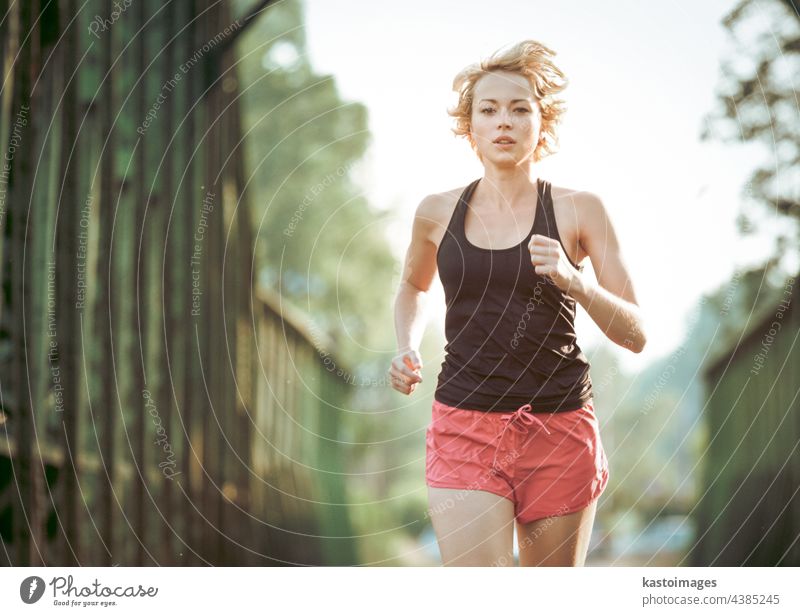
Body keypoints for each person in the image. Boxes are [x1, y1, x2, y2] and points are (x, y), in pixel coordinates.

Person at [389, 40, 647, 566]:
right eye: (488, 110)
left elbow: (635, 334)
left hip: (560, 427)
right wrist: (406, 345)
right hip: (465, 423)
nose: (503, 121)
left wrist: (578, 284)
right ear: (470, 128)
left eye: (519, 108)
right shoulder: (435, 212)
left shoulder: (581, 210)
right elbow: (414, 288)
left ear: (542, 123)